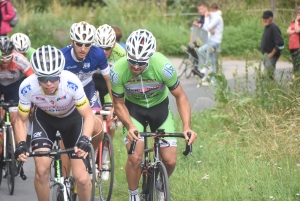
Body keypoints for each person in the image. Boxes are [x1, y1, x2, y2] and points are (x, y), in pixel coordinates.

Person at [110, 29, 198, 201]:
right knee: (135, 157)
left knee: (170, 160)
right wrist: (130, 126)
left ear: (149, 57)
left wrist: (187, 127)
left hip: (159, 109)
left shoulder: (163, 67)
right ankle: (133, 195)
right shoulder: (118, 71)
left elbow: (180, 97)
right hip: (134, 110)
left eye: (141, 62)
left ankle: (159, 183)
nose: (135, 66)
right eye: (132, 60)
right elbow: (118, 104)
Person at [14, 45, 95, 201]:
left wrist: (85, 138)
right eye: (43, 79)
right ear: (37, 76)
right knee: (42, 171)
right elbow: (21, 120)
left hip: (72, 119)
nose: (49, 83)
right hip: (45, 120)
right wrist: (21, 143)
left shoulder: (72, 82)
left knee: (83, 179)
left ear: (60, 74)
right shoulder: (27, 87)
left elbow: (89, 116)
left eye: (53, 78)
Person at [61, 21, 111, 175]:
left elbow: (108, 80)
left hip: (88, 89)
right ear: (72, 42)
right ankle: (65, 176)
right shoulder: (63, 56)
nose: (83, 48)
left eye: (87, 44)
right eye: (79, 44)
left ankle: (91, 154)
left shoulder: (98, 54)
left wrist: (115, 104)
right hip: (68, 91)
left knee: (98, 126)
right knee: (65, 132)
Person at [93, 24, 126, 179]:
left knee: (110, 120)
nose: (104, 52)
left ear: (114, 44)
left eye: (108, 48)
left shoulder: (121, 53)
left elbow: (123, 81)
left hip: (110, 85)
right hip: (92, 83)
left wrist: (117, 106)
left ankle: (104, 157)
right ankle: (90, 154)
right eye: (101, 48)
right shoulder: (89, 51)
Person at [0, 36, 33, 127]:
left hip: (14, 86)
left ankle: (13, 139)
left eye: (8, 57)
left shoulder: (20, 59)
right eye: (2, 58)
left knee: (14, 118)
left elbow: (32, 79)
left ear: (13, 53)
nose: (5, 60)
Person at [196, 2, 223, 85]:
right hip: (212, 40)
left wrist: (206, 17)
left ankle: (205, 66)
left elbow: (208, 26)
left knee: (201, 50)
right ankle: (213, 79)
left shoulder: (217, 17)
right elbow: (207, 28)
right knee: (213, 60)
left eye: (211, 10)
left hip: (215, 41)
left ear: (213, 9)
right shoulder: (214, 16)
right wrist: (201, 26)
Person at [261, 10, 284, 80]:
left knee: (267, 76)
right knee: (268, 76)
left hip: (271, 56)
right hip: (266, 56)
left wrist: (272, 54)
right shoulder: (267, 27)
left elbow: (280, 43)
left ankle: (271, 89)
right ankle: (271, 89)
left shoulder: (274, 27)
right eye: (264, 18)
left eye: (266, 18)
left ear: (272, 19)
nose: (264, 20)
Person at [286, 7, 300, 78]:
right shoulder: (293, 23)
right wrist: (294, 29)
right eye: (297, 13)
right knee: (294, 61)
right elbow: (287, 31)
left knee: (297, 62)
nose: (298, 15)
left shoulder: (297, 23)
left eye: (299, 13)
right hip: (292, 46)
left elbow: (298, 30)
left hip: (298, 46)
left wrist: (297, 21)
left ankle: (295, 76)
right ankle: (296, 76)